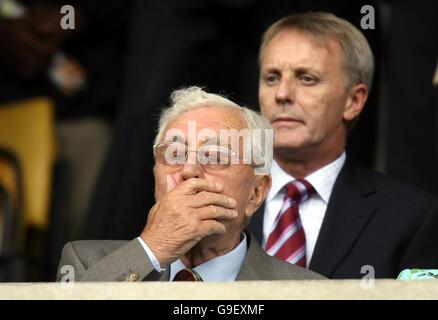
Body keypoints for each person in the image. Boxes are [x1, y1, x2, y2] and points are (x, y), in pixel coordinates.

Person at [57, 87, 324, 281]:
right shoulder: (84, 262)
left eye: (216, 156)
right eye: (174, 154)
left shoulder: (305, 290)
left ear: (256, 192)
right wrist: (153, 247)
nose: (189, 170)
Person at [248, 12, 438, 279]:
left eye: (307, 78)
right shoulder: (217, 198)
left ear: (354, 101)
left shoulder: (414, 218)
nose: (282, 94)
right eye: (271, 78)